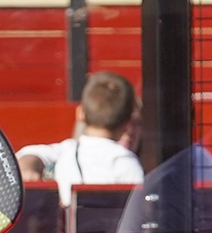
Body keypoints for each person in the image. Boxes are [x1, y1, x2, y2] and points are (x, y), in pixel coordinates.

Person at [15, 71, 143, 204]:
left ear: (80, 113)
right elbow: (138, 210)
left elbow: (29, 155)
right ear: (126, 124)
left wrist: (27, 169)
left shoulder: (66, 150)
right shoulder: (125, 162)